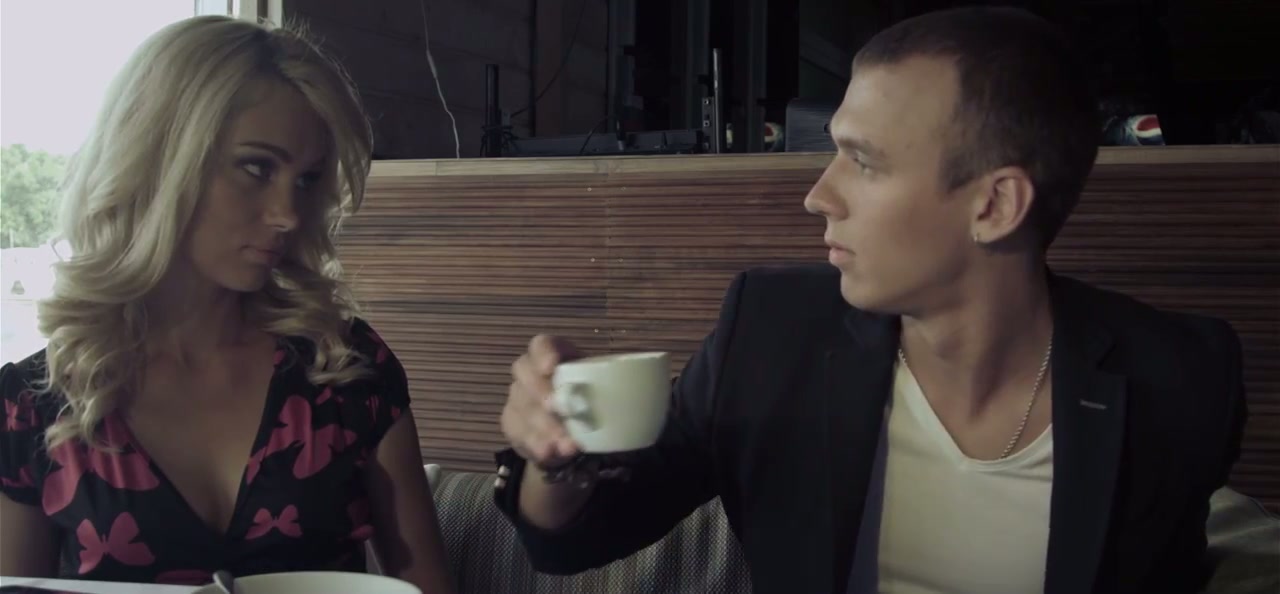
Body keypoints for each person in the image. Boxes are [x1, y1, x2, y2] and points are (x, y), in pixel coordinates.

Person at [494, 6, 1247, 594]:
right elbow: (572, 542)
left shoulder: (1178, 382)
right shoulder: (770, 333)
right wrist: (555, 459)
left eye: (863, 162)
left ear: (995, 206)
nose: (818, 195)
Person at [0, 16, 455, 593]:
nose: (287, 215)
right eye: (256, 168)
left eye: (306, 180)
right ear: (158, 159)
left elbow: (427, 587)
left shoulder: (346, 371)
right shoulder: (32, 406)